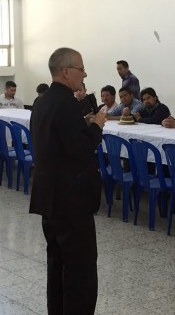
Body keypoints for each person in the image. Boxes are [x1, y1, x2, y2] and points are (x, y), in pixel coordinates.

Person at [30, 47, 106, 314]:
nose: (84, 74)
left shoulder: (43, 101)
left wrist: (82, 124)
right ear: (66, 71)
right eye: (81, 69)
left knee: (58, 262)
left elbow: (57, 142)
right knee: (80, 269)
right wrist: (96, 125)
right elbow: (80, 149)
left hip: (50, 196)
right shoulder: (66, 103)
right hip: (71, 199)